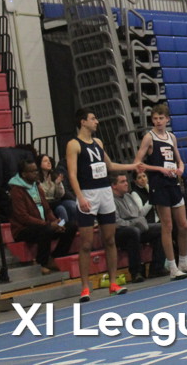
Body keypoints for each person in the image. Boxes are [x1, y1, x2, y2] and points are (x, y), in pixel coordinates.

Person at [67, 108, 139, 300]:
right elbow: (72, 174)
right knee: (86, 243)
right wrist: (80, 197)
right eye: (93, 118)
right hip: (88, 194)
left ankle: (113, 282)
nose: (96, 121)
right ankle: (85, 286)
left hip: (105, 192)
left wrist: (132, 166)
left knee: (110, 239)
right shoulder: (74, 145)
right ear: (83, 122)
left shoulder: (98, 142)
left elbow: (110, 166)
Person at [135, 104, 187, 280]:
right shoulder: (149, 138)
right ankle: (172, 266)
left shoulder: (171, 137)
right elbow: (138, 163)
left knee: (184, 225)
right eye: (155, 118)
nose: (158, 121)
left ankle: (183, 262)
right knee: (168, 226)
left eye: (161, 118)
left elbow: (179, 160)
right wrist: (159, 169)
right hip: (159, 184)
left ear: (167, 119)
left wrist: (180, 168)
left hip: (173, 183)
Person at [9, 159, 74, 274]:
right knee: (46, 230)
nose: (36, 173)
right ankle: (41, 262)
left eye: (36, 170)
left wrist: (56, 222)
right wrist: (48, 224)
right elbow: (23, 217)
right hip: (23, 230)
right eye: (32, 171)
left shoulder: (37, 187)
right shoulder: (16, 191)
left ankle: (55, 257)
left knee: (71, 226)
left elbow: (47, 210)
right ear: (24, 174)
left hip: (43, 225)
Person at [111, 172, 164, 283]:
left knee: (160, 228)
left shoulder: (129, 196)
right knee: (133, 232)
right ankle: (136, 272)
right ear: (114, 186)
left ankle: (157, 268)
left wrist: (139, 223)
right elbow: (116, 222)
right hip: (119, 232)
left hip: (136, 227)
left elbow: (139, 214)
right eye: (122, 182)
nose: (126, 184)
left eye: (126, 181)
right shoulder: (110, 200)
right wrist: (134, 224)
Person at [37, 153, 76, 225]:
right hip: (46, 203)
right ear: (39, 164)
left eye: (49, 161)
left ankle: (73, 226)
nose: (49, 163)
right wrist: (50, 185)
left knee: (72, 205)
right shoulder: (37, 178)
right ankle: (62, 228)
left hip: (55, 202)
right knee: (61, 209)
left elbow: (60, 195)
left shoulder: (53, 175)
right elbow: (42, 194)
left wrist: (58, 184)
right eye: (45, 161)